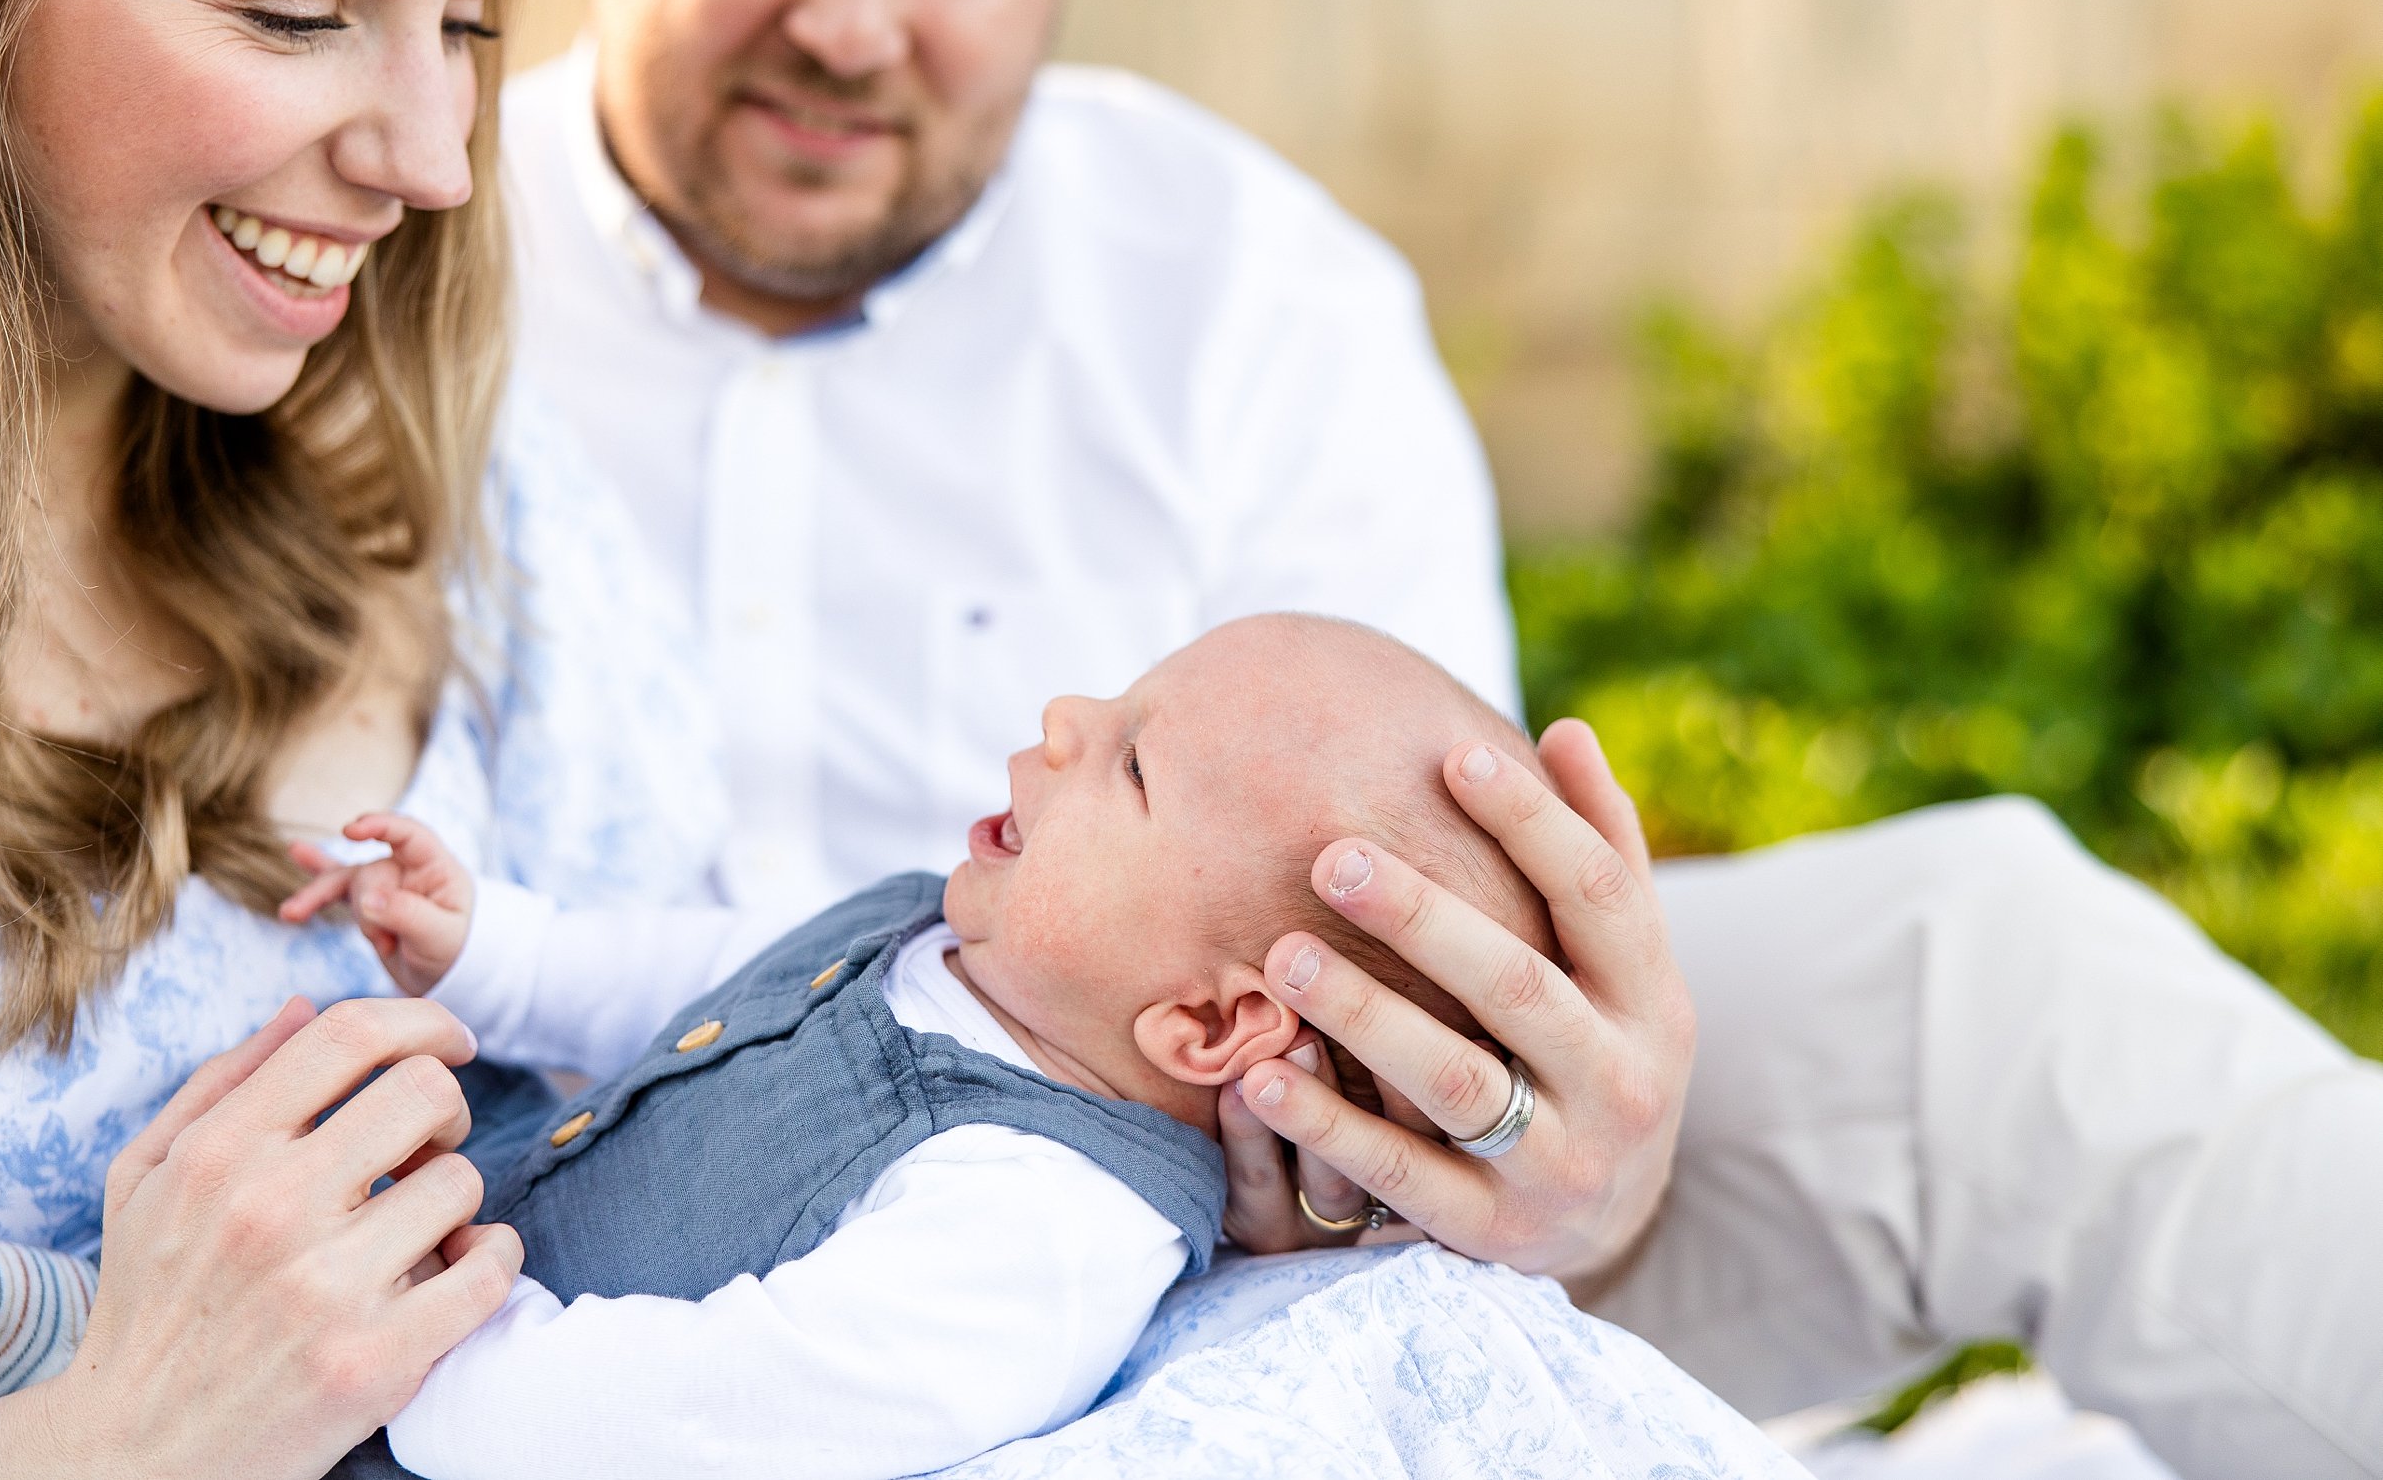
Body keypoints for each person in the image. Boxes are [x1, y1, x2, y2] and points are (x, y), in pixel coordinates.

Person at [508, 0, 2383, 1476]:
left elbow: (1411, 859)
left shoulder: (1246, 286)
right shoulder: (388, 240)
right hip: (581, 1156)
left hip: (1227, 1204)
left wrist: (1550, 1143)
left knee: (1985, 975)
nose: (854, 22)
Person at [0, 0, 730, 1471]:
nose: (438, 161)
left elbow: (703, 1091)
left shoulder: (479, 513)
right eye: (295, 16)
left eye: (471, 23)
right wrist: (126, 1434)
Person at [325, 616, 1794, 1480]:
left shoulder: (1044, 1226)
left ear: (1213, 1025)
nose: (1065, 719)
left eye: (1135, 761)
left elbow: (725, 1413)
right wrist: (497, 951)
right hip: (400, 1317)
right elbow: (713, 976)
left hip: (446, 1422)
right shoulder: (947, 937)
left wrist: (426, 1353)